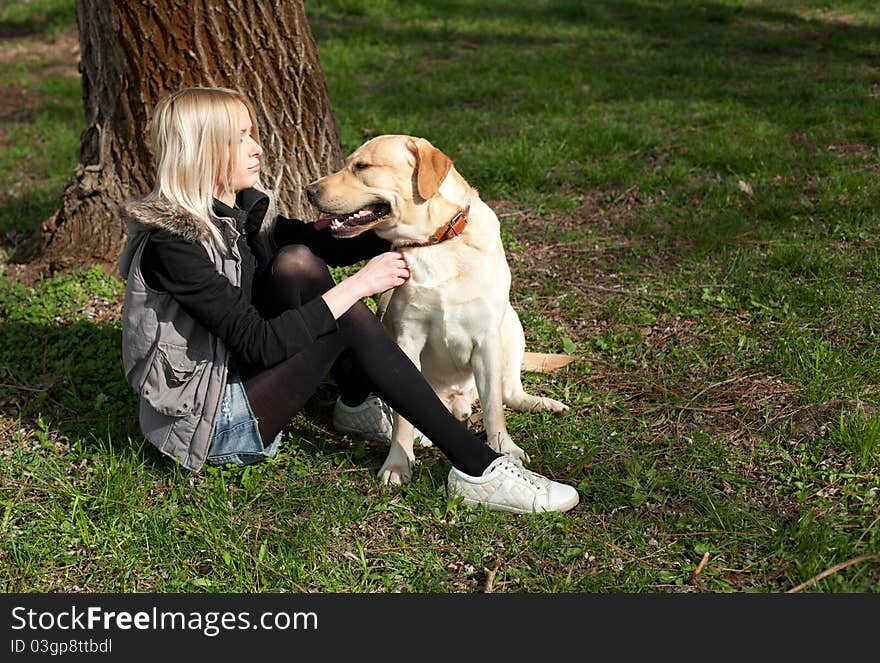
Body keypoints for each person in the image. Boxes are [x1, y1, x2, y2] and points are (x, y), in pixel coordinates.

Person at [118, 86, 578, 514]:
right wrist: (356, 287)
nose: (257, 146)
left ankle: (357, 406)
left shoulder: (238, 217)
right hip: (208, 427)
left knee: (297, 261)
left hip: (237, 382)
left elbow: (326, 245)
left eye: (252, 133)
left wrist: (436, 227)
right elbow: (259, 344)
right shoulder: (173, 245)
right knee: (343, 310)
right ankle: (476, 467)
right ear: (204, 152)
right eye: (241, 139)